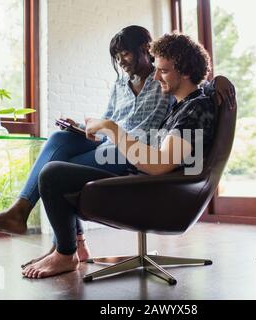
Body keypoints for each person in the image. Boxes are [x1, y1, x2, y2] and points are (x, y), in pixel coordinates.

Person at [19, 32, 219, 279]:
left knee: (53, 173)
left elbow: (159, 165)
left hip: (158, 189)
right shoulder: (183, 105)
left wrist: (112, 128)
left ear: (186, 72)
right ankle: (70, 246)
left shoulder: (194, 109)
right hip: (145, 180)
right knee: (59, 160)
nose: (156, 77)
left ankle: (65, 253)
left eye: (163, 71)